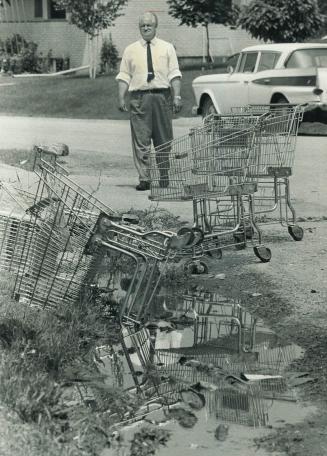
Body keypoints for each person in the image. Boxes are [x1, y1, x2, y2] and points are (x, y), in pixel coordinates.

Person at [116, 11, 182, 191]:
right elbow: (124, 75)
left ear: (155, 27)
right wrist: (121, 97)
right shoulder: (130, 50)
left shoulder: (167, 48)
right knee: (141, 140)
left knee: (164, 139)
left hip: (162, 97)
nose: (146, 28)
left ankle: (164, 175)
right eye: (142, 25)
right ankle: (144, 178)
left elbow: (174, 74)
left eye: (149, 25)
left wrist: (176, 96)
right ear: (139, 28)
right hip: (139, 99)